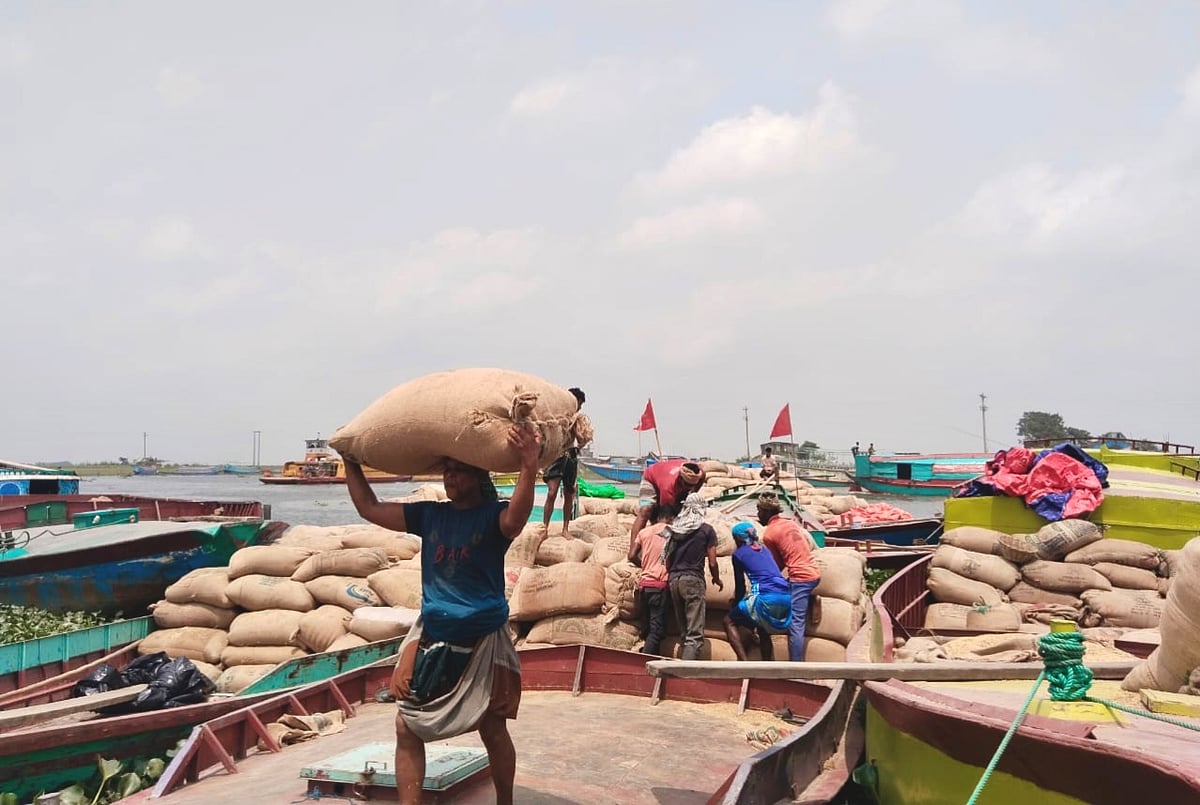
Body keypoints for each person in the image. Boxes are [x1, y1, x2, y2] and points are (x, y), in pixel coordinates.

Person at [342, 423, 541, 805]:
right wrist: (351, 463)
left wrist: (528, 466)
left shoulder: (493, 516)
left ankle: (506, 802)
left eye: (459, 470)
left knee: (493, 727)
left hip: (483, 639)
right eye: (446, 469)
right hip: (434, 635)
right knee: (406, 726)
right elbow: (369, 508)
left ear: (478, 476)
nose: (450, 476)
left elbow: (516, 519)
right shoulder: (430, 516)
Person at [756, 491, 821, 662]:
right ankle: (812, 597)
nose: (757, 515)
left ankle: (796, 666)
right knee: (784, 589)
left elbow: (776, 565)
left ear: (766, 512)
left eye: (759, 511)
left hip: (801, 578)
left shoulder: (769, 533)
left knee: (796, 624)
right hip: (813, 572)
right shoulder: (790, 524)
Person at [662, 492, 722, 660]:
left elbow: (667, 560)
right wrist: (716, 578)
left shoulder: (675, 529)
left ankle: (680, 666)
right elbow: (712, 562)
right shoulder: (707, 530)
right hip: (693, 580)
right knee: (694, 635)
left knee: (684, 632)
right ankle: (686, 675)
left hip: (674, 580)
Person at [724, 522, 792, 661]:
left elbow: (741, 587)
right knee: (762, 627)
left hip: (766, 598)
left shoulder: (739, 554)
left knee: (728, 621)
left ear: (738, 538)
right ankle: (766, 665)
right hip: (786, 596)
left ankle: (744, 664)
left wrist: (735, 605)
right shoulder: (765, 550)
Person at [628, 502, 673, 656]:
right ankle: (643, 664)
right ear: (669, 518)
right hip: (660, 587)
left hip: (644, 585)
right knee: (657, 631)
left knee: (647, 628)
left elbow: (631, 555)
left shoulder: (645, 532)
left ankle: (649, 656)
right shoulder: (672, 533)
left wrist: (645, 567)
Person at [542, 387, 586, 536]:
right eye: (578, 403)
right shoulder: (557, 415)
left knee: (569, 492)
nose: (579, 407)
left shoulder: (578, 419)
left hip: (571, 457)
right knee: (552, 492)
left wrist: (583, 438)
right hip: (557, 456)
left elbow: (581, 440)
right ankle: (544, 528)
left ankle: (565, 529)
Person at [630, 458, 707, 538]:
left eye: (692, 486)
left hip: (664, 477)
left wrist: (692, 493)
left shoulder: (699, 472)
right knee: (646, 510)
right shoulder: (668, 487)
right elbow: (665, 514)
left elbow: (700, 480)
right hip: (651, 477)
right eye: (687, 485)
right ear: (680, 479)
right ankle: (634, 548)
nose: (689, 488)